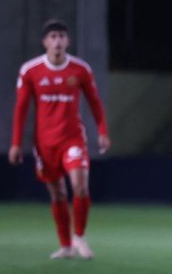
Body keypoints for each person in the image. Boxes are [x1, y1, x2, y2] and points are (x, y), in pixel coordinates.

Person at [8, 19, 111, 260]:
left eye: (61, 36)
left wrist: (103, 131)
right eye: (52, 37)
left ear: (68, 41)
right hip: (45, 143)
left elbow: (95, 102)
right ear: (45, 42)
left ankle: (80, 237)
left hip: (72, 138)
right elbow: (21, 108)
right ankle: (65, 246)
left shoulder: (80, 70)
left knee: (80, 185)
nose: (57, 41)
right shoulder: (30, 71)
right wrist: (15, 143)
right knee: (58, 194)